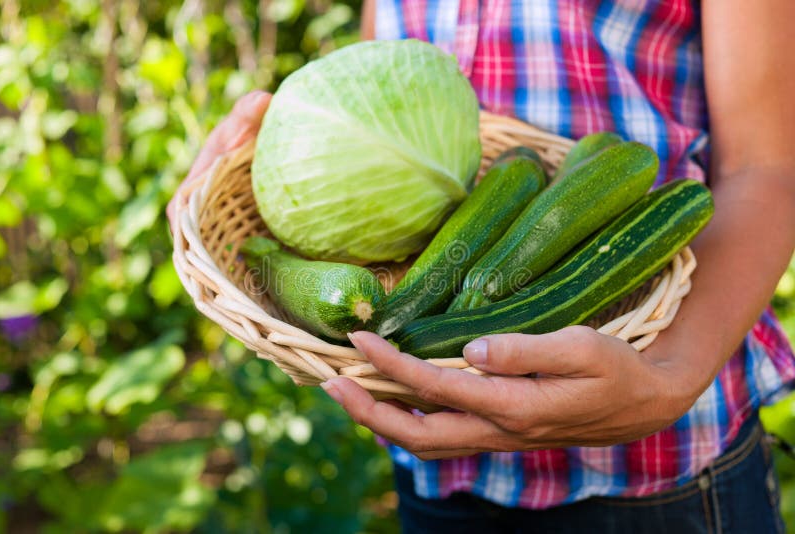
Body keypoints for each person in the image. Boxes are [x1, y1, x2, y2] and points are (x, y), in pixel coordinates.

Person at [169, 0, 795, 531]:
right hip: (440, 464)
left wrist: (671, 379)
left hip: (659, 469)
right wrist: (276, 146)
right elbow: (376, 74)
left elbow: (766, 170)